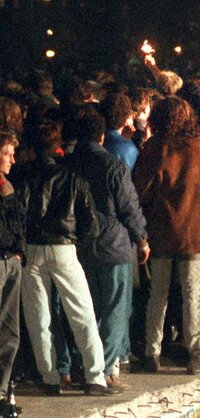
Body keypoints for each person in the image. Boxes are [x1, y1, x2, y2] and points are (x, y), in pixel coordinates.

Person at [16, 120, 117, 395]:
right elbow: (92, 224)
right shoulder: (72, 178)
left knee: (38, 318)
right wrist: (78, 245)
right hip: (64, 248)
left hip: (33, 250)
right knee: (82, 313)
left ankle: (49, 378)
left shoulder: (23, 176)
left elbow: (19, 215)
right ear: (58, 146)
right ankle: (95, 376)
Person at [134, 97, 200, 374]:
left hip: (162, 229)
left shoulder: (155, 147)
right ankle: (194, 353)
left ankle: (151, 352)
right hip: (194, 231)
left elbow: (140, 187)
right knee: (190, 293)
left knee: (158, 292)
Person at [67, 110, 149, 390]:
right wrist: (142, 238)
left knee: (86, 309)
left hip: (80, 245)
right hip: (113, 244)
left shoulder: (70, 164)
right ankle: (102, 370)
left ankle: (84, 364)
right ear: (102, 136)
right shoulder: (112, 164)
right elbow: (129, 206)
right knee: (115, 309)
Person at [0, 130, 24, 405]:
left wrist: (20, 251)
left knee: (10, 332)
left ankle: (3, 389)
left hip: (11, 260)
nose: (12, 160)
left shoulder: (8, 186)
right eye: (7, 153)